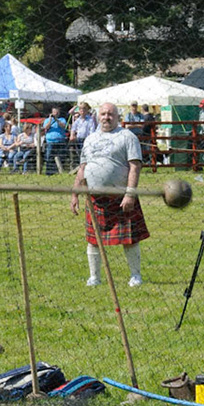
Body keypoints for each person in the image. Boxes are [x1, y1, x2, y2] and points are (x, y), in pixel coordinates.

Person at [71, 102, 147, 287]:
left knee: (130, 239)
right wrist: (75, 194)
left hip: (121, 196)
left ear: (118, 117)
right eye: (103, 114)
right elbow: (82, 168)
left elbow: (135, 166)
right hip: (95, 198)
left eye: (110, 114)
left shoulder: (127, 137)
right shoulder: (90, 139)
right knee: (93, 240)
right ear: (98, 116)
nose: (106, 117)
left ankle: (135, 276)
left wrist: (130, 194)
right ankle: (94, 277)